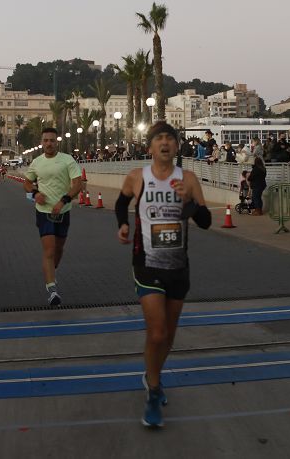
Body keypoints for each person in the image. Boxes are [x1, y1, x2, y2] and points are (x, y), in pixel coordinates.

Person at [116, 122, 211, 428]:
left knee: (168, 335)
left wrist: (191, 203)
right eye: (159, 138)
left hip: (178, 266)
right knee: (156, 332)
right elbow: (121, 203)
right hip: (146, 264)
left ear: (177, 146)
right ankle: (154, 390)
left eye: (171, 138)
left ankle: (151, 374)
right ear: (150, 147)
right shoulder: (137, 177)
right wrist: (123, 224)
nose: (166, 142)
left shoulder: (189, 179)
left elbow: (206, 222)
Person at [23, 126, 84, 307]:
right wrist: (35, 194)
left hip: (63, 211)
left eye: (51, 140)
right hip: (44, 212)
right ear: (41, 143)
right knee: (49, 250)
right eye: (45, 140)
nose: (48, 143)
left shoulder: (67, 160)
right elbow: (27, 182)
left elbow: (78, 184)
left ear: (57, 141)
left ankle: (51, 271)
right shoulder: (37, 162)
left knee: (58, 250)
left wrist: (63, 201)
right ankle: (52, 290)